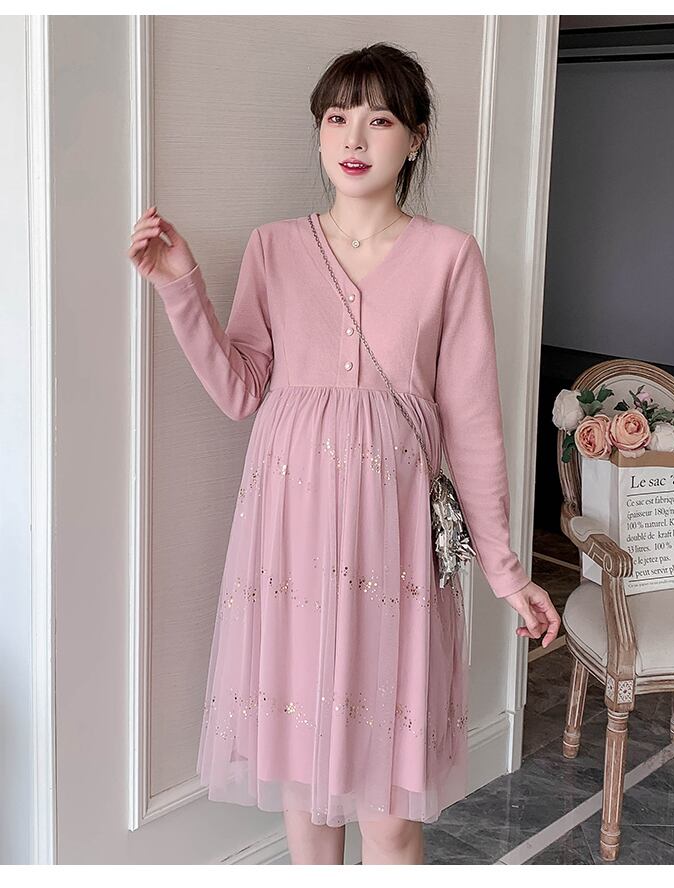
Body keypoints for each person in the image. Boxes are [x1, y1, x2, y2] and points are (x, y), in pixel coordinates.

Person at [128, 41, 560, 866]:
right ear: (319, 132)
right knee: (306, 790)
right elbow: (241, 390)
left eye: (380, 119)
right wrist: (179, 285)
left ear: (416, 138)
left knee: (389, 816)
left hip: (394, 550)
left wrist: (507, 573)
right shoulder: (274, 248)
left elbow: (472, 424)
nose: (354, 137)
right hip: (289, 544)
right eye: (336, 117)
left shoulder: (449, 258)